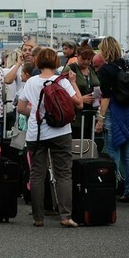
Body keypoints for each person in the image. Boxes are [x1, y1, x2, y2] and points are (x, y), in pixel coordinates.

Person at [17, 47, 83, 227]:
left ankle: (38, 217)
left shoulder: (31, 82)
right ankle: (65, 216)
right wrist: (73, 82)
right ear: (56, 62)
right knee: (63, 173)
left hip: (36, 133)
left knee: (37, 174)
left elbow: (21, 108)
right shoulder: (62, 81)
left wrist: (36, 114)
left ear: (38, 62)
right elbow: (79, 103)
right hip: (61, 131)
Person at [95, 36, 129, 201]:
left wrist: (100, 119)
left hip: (113, 114)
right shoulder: (127, 65)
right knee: (127, 155)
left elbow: (106, 97)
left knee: (112, 154)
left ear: (105, 50)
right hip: (128, 113)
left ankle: (111, 190)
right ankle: (128, 191)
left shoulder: (105, 70)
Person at [65, 45, 100, 137]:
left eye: (89, 59)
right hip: (76, 116)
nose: (86, 62)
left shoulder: (92, 69)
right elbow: (62, 92)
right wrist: (80, 99)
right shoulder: (70, 69)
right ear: (77, 56)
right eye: (83, 59)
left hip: (92, 113)